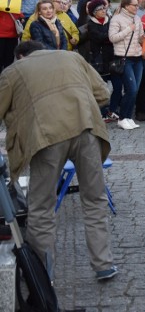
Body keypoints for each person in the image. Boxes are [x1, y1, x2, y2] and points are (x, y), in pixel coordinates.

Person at [0, 40, 117, 281]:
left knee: (41, 206)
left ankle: (43, 272)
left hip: (46, 138)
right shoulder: (71, 57)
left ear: (20, 55)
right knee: (95, 198)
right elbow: (103, 94)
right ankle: (104, 264)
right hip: (86, 129)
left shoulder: (13, 71)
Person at [108, 0, 145, 130]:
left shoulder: (137, 18)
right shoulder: (116, 19)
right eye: (134, 5)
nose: (137, 8)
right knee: (131, 89)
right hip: (124, 57)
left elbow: (140, 36)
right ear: (126, 6)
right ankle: (122, 117)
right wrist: (129, 29)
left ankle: (128, 117)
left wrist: (143, 39)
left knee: (135, 90)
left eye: (137, 5)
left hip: (137, 57)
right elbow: (112, 38)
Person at [0, 0, 22, 71]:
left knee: (9, 60)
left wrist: (21, 17)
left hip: (12, 35)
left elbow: (19, 14)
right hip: (0, 35)